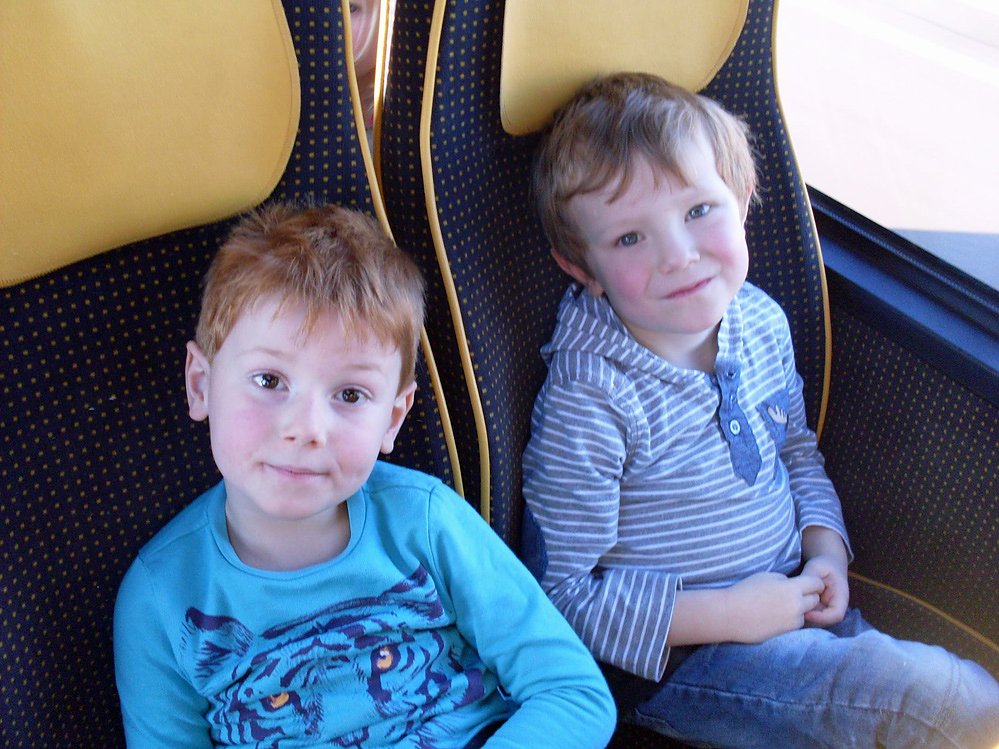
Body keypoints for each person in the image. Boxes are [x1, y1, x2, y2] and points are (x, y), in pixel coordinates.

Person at [522, 72, 999, 749]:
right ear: (582, 268)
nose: (678, 255)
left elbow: (794, 450)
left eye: (698, 210)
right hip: (683, 660)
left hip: (793, 602)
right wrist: (730, 613)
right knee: (942, 703)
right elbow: (561, 597)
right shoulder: (590, 398)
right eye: (629, 239)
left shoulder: (759, 321)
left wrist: (825, 550)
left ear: (743, 199)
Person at [114, 202, 616, 748]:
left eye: (350, 395)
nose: (307, 429)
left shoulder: (425, 522)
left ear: (392, 419)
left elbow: (573, 692)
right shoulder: (160, 598)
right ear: (201, 385)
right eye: (269, 380)